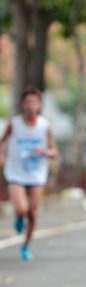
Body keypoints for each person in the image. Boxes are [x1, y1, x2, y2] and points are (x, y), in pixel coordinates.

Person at [0, 86, 58, 260]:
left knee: (32, 212)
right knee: (21, 208)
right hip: (16, 172)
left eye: (34, 102)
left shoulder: (45, 126)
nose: (30, 105)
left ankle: (25, 245)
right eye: (27, 102)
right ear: (22, 105)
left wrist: (43, 151)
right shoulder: (14, 123)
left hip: (36, 174)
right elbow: (2, 141)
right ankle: (19, 216)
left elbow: (54, 152)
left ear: (39, 105)